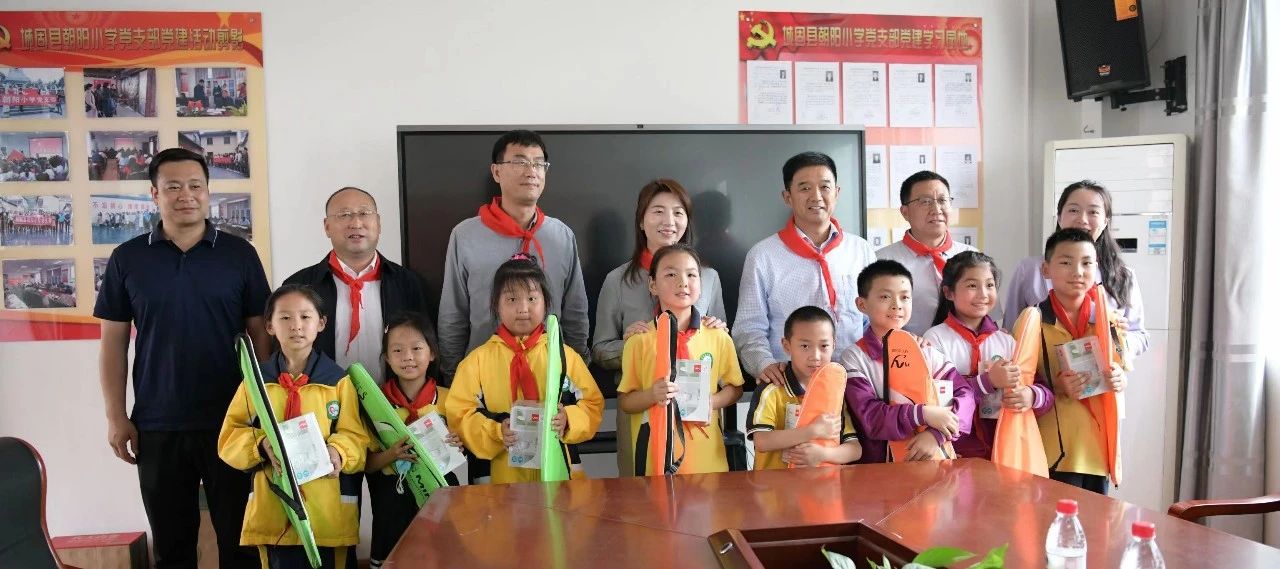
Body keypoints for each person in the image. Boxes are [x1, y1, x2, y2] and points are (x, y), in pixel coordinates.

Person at [95, 147, 269, 568]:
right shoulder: (128, 258)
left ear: (208, 191)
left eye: (195, 185)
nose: (186, 195)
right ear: (155, 194)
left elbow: (262, 337)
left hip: (233, 422)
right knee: (172, 549)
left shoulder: (239, 255)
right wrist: (116, 416)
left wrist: (265, 410)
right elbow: (113, 344)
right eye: (173, 186)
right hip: (157, 425)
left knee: (242, 545)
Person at [217, 284, 369, 568]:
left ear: (321, 323)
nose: (296, 325)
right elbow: (230, 435)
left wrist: (338, 451)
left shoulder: (339, 382)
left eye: (305, 317)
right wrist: (261, 444)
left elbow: (356, 437)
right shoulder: (256, 382)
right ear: (269, 326)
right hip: (273, 509)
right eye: (285, 317)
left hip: (327, 512)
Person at [592, 179, 727, 475]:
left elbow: (720, 349)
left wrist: (718, 329)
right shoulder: (618, 281)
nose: (669, 221)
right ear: (641, 221)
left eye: (678, 213)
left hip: (697, 412)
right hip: (639, 406)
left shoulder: (708, 278)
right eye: (658, 212)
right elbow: (600, 350)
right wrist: (633, 346)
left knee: (702, 491)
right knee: (640, 491)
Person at [438, 130, 589, 379]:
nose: (531, 172)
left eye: (539, 164)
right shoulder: (465, 236)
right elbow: (453, 314)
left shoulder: (561, 236)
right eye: (520, 162)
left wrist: (575, 373)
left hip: (549, 377)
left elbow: (575, 312)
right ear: (496, 172)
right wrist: (453, 376)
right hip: (483, 378)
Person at [445, 255, 603, 484]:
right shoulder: (476, 362)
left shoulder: (564, 356)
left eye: (531, 298)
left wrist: (568, 419)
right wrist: (497, 431)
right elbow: (459, 415)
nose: (523, 308)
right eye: (511, 299)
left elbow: (592, 403)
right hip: (498, 477)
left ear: (545, 302)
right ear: (496, 305)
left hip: (557, 475)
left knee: (558, 509)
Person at [734, 151, 877, 386]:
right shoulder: (763, 255)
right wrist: (765, 365)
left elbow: (873, 321)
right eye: (805, 188)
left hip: (856, 382)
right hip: (789, 385)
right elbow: (749, 327)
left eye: (824, 187)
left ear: (836, 193)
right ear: (787, 197)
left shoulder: (861, 250)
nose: (816, 196)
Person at [618, 244, 745, 475]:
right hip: (655, 457)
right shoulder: (639, 341)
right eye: (670, 274)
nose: (683, 282)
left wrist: (712, 401)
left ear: (701, 284)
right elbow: (626, 402)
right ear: (652, 285)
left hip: (707, 458)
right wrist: (652, 395)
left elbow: (735, 388)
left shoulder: (717, 336)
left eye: (691, 275)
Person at [283, 186, 433, 384]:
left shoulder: (408, 284)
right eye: (344, 215)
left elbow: (428, 346)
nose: (356, 223)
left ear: (378, 223)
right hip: (322, 399)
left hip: (392, 400)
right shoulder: (298, 287)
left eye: (364, 213)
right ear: (327, 227)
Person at [839, 260, 974, 463]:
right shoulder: (855, 357)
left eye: (905, 297)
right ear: (862, 304)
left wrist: (937, 435)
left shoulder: (925, 351)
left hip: (932, 462)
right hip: (877, 467)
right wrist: (922, 414)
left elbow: (965, 395)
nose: (897, 305)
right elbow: (870, 417)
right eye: (885, 297)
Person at [922, 252, 1052, 459]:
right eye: (972, 285)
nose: (983, 294)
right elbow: (934, 398)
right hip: (953, 450)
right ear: (948, 292)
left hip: (1002, 450)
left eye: (989, 285)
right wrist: (987, 382)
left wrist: (1031, 396)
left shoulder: (1007, 341)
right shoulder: (935, 339)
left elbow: (1043, 390)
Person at [1003, 180, 1149, 364]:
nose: (1083, 219)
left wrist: (1117, 337)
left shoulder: (1123, 275)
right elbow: (1010, 333)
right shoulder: (1030, 270)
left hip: (1104, 378)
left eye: (1093, 212)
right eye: (1073, 210)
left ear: (1105, 221)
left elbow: (1140, 336)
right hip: (1043, 378)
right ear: (1059, 217)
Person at [1030, 228, 1127, 495]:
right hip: (1054, 450)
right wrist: (1057, 387)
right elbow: (1022, 384)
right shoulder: (1032, 321)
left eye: (1086, 263)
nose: (1078, 272)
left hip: (1099, 450)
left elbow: (1122, 369)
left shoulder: (1109, 321)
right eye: (1066, 262)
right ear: (1046, 269)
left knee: (1096, 520)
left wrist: (1119, 378)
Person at [365, 312, 461, 568]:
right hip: (391, 501)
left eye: (417, 348)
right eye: (397, 350)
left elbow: (468, 449)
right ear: (387, 357)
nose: (407, 357)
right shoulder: (374, 403)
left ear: (432, 353)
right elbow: (367, 464)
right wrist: (392, 455)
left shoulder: (450, 399)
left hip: (440, 496)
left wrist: (460, 445)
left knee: (441, 558)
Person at [747, 306, 861, 469]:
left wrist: (823, 455)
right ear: (787, 345)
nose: (815, 356)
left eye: (824, 346)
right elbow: (762, 441)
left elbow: (855, 449)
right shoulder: (772, 389)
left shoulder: (834, 392)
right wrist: (812, 431)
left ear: (834, 345)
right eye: (805, 346)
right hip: (773, 484)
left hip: (821, 483)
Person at [876, 170, 976, 335]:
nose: (936, 209)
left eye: (942, 200)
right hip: (905, 349)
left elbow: (987, 319)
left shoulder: (973, 258)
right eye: (925, 202)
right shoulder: (881, 262)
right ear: (905, 212)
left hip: (967, 350)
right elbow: (872, 324)